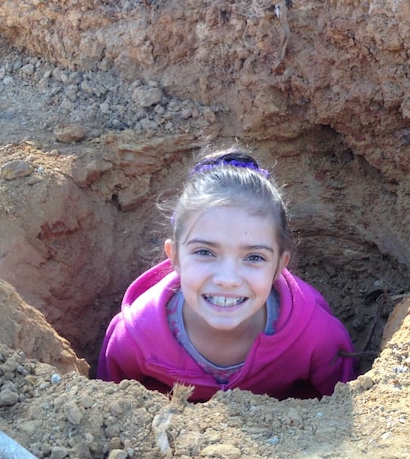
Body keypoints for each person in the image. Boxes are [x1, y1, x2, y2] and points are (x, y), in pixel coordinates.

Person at [97, 148, 356, 401]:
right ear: (174, 257)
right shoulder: (135, 335)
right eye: (205, 252)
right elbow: (108, 406)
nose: (228, 279)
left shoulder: (315, 335)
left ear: (279, 265)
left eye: (254, 257)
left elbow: (342, 406)